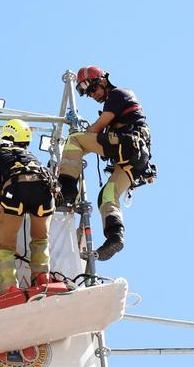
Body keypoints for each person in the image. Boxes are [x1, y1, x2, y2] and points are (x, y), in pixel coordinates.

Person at [56, 66, 154, 262]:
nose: (92, 95)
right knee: (107, 196)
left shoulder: (118, 94)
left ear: (103, 81)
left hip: (127, 145)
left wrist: (81, 130)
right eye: (88, 93)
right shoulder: (117, 101)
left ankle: (67, 190)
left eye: (93, 89)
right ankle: (115, 237)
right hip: (133, 158)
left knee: (75, 140)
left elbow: (97, 129)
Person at [0, 119, 56, 292]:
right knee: (40, 239)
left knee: (4, 247)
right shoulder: (30, 156)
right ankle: (42, 279)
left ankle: (10, 289)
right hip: (44, 192)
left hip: (15, 192)